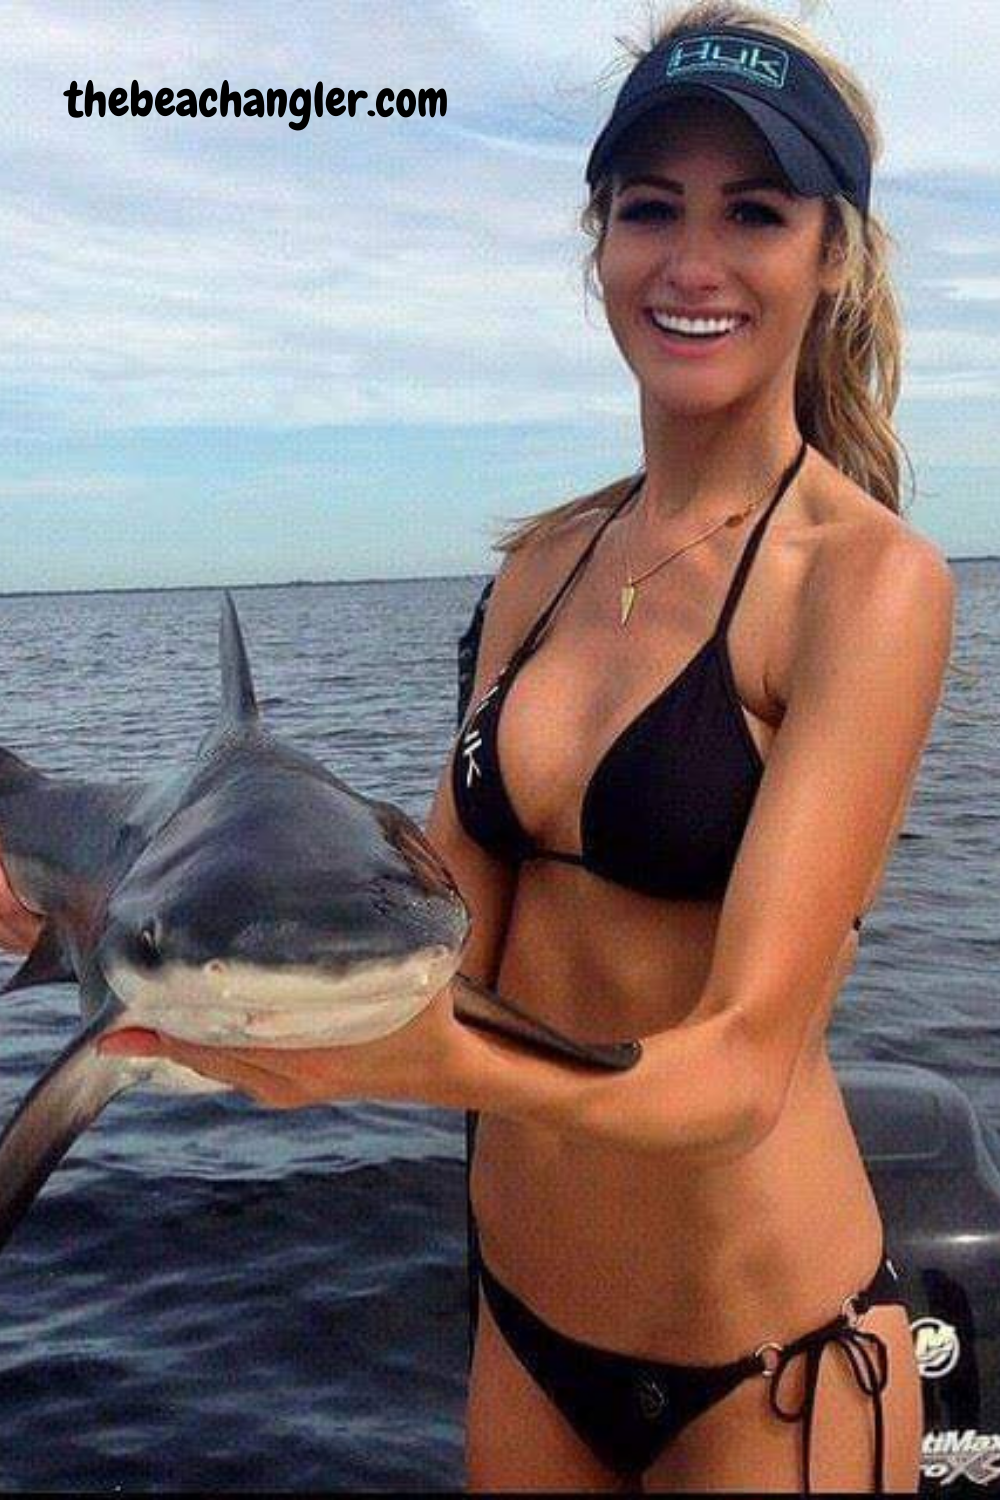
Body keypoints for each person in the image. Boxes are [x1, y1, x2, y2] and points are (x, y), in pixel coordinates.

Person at [0, 3, 955, 1492]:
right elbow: (448, 939)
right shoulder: (543, 569)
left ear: (832, 256)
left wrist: (424, 1054)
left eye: (753, 212)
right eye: (651, 210)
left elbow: (741, 1071)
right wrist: (123, 927)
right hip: (522, 1334)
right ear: (600, 248)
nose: (694, 262)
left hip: (765, 1366)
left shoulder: (867, 583)